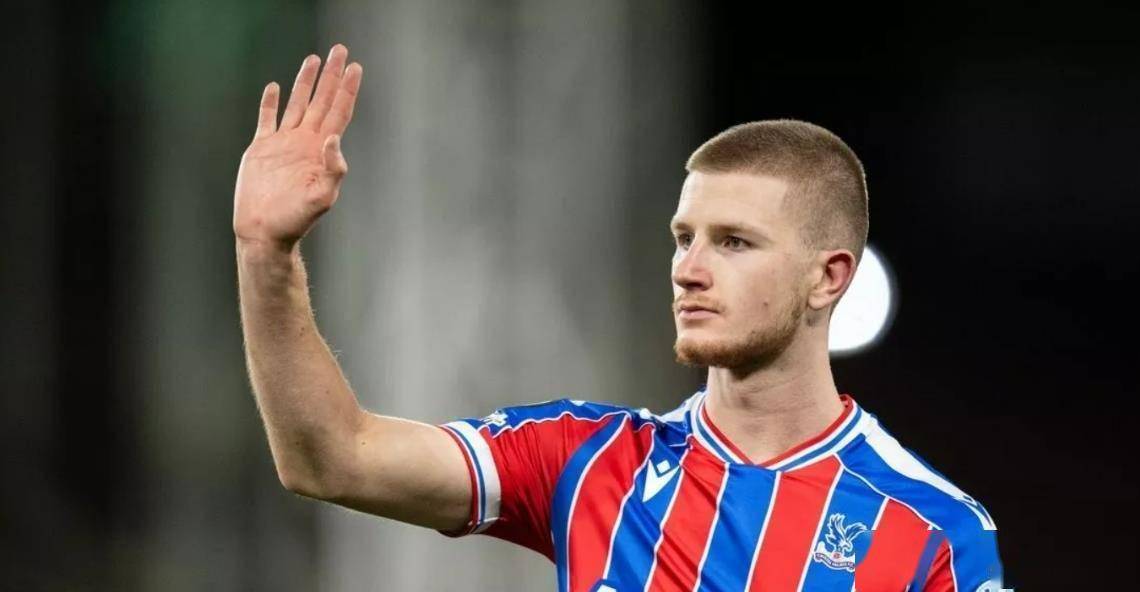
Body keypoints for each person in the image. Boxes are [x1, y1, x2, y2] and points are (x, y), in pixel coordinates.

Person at [234, 44, 1005, 592]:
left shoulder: (932, 532)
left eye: (734, 242)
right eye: (684, 238)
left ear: (827, 278)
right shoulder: (588, 460)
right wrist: (266, 254)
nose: (689, 268)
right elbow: (332, 458)